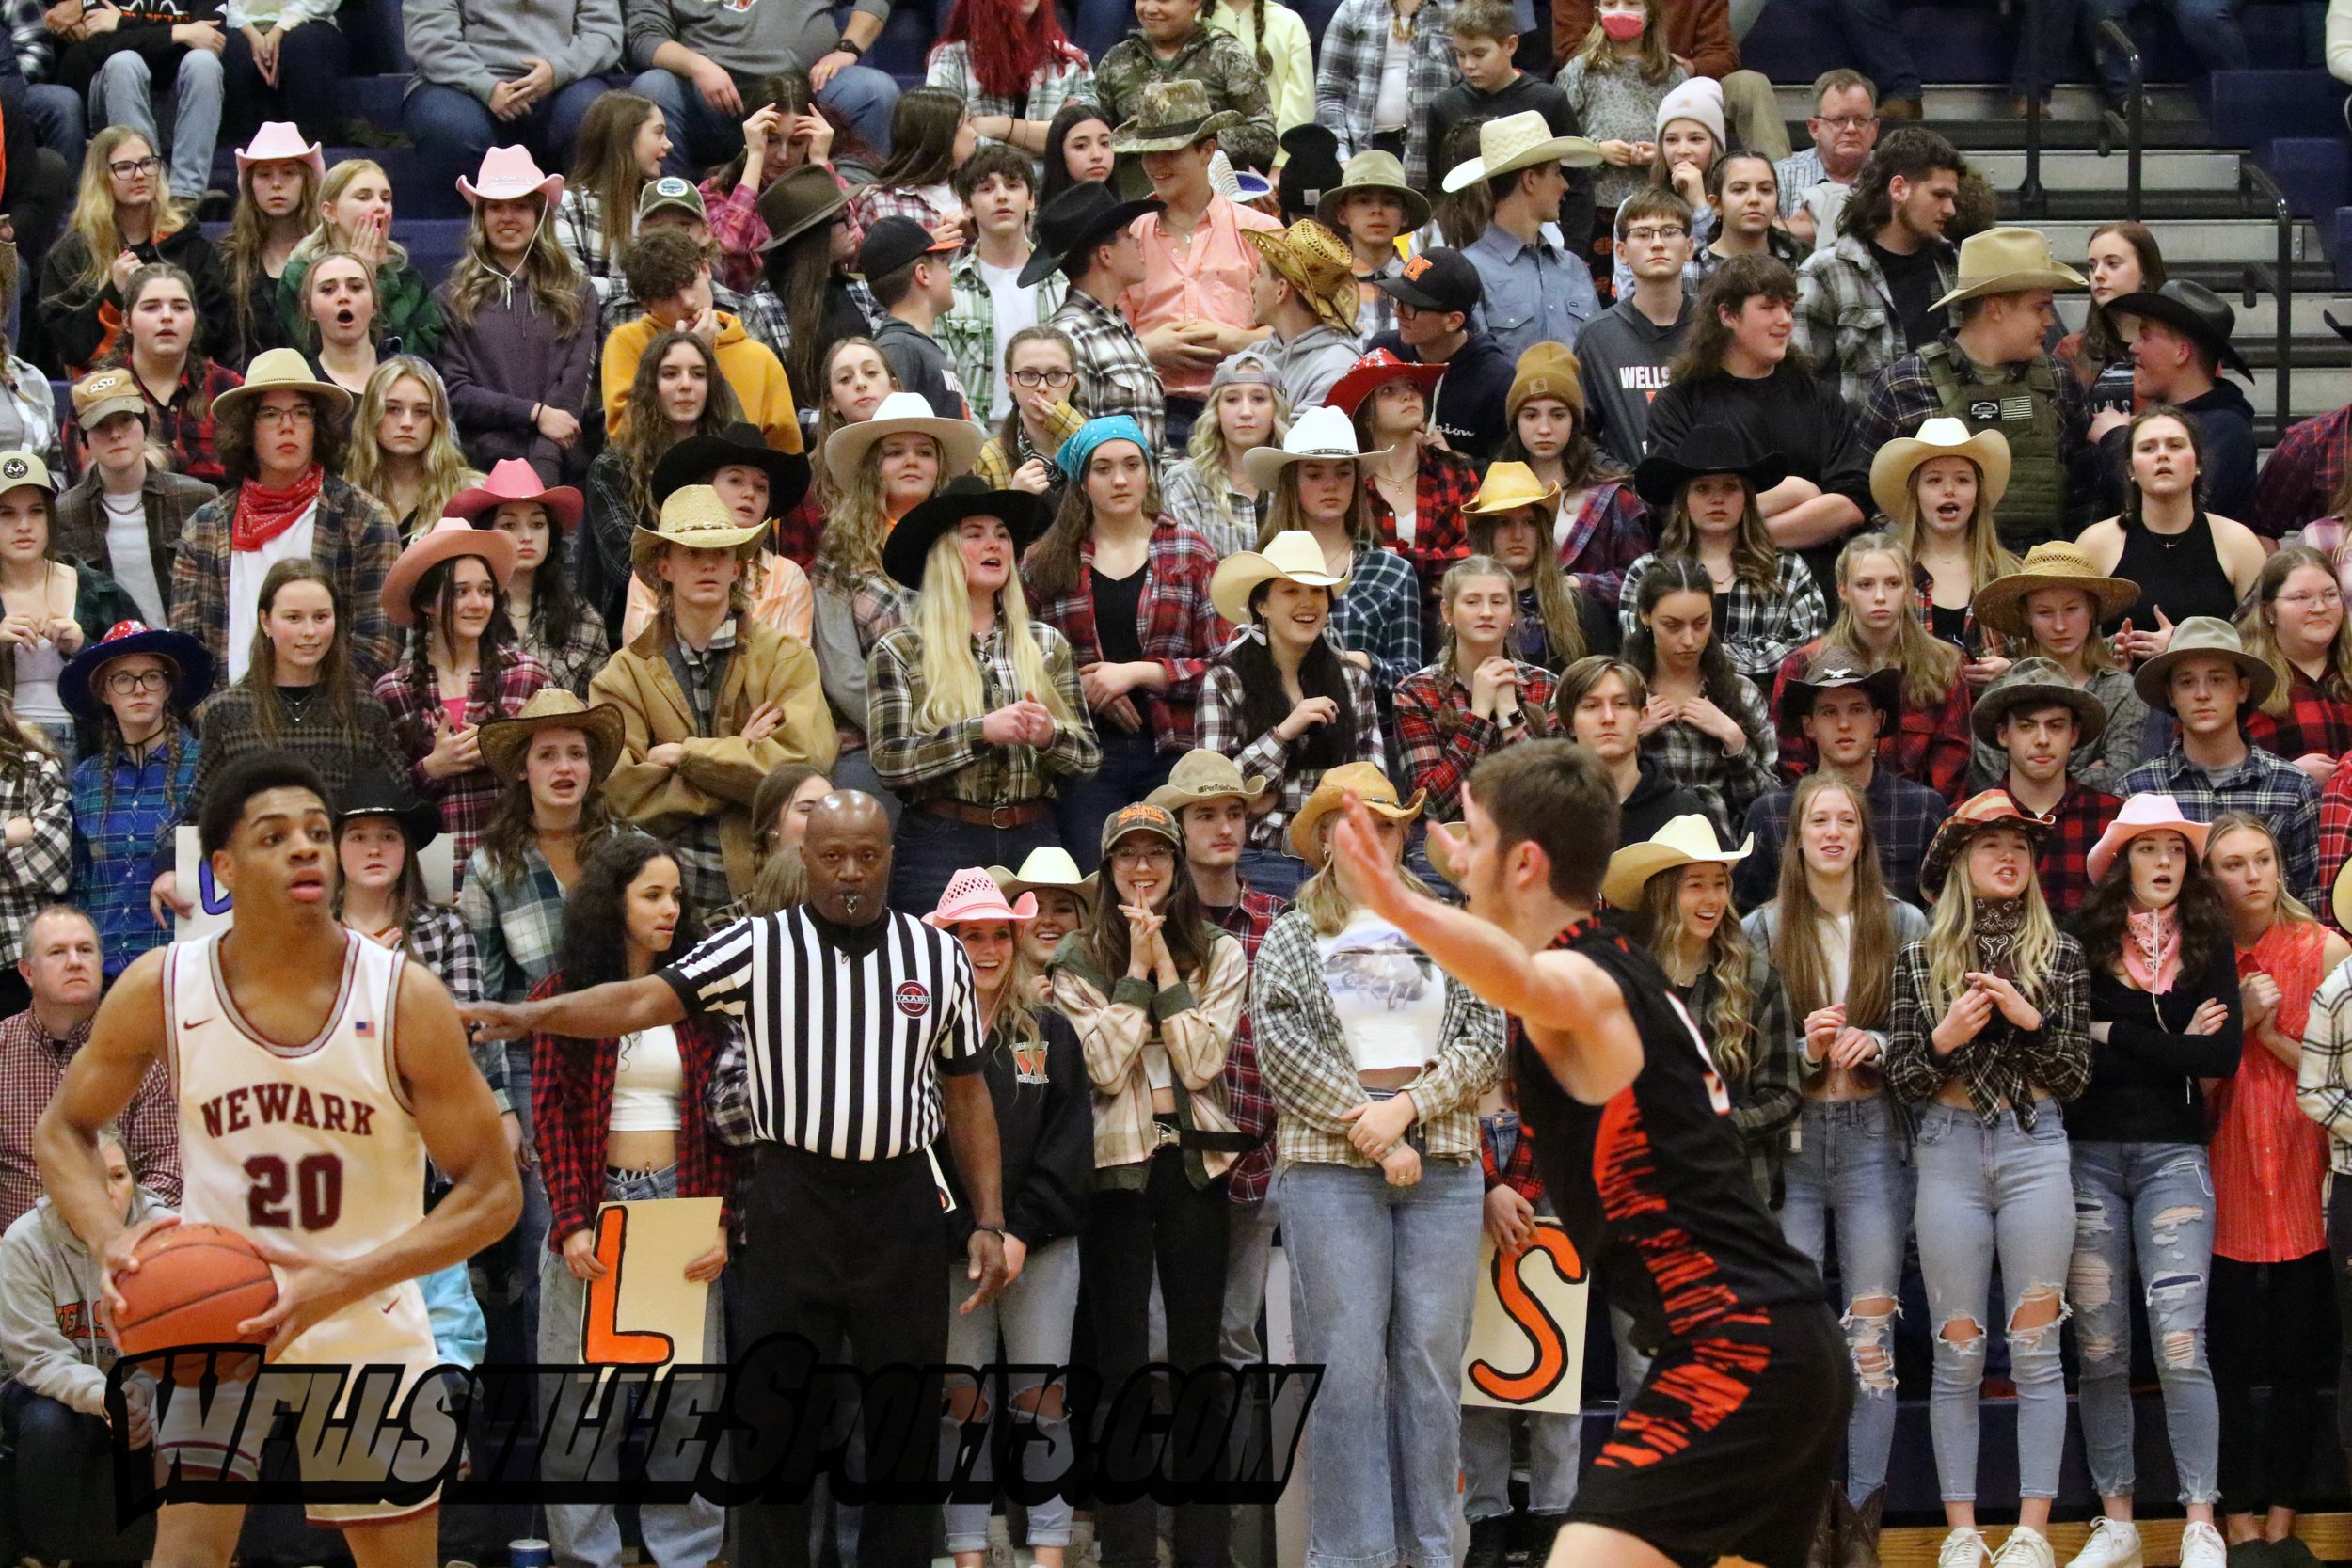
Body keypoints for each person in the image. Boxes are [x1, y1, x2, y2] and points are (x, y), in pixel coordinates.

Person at [1317, 739, 1848, 1568]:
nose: (1456, 852)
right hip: (1768, 1340)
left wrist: (1399, 901)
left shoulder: (1586, 983)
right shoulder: (1616, 957)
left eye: (1474, 838)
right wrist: (1472, 883)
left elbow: (1523, 983)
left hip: (1737, 1347)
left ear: (1524, 861)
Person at [461, 788, 1010, 1568]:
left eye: (866, 854)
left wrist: (987, 1216)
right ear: (804, 859)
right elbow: (642, 999)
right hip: (794, 1197)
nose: (849, 871)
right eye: (831, 855)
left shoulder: (937, 955)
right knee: (774, 1421)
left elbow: (966, 1090)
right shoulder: (758, 945)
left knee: (901, 1423)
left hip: (901, 1207)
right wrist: (529, 1017)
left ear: (889, 856)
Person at [33, 751, 522, 1560]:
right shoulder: (163, 986)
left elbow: (493, 1192)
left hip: (366, 1312)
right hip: (215, 1314)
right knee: (185, 1554)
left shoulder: (406, 997)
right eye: (275, 836)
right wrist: (111, 1238)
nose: (305, 848)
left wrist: (341, 1281)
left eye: (316, 832)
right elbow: (63, 1128)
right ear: (222, 865)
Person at [1251, 762, 1505, 1568]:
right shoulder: (1292, 932)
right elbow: (1279, 1047)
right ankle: (1351, 1558)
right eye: (1354, 823)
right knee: (1348, 1371)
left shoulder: (1446, 921)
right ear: (1327, 836)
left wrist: (1408, 1110)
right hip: (1332, 1169)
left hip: (1444, 1165)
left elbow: (1487, 1033)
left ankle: (1430, 1554)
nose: (1373, 838)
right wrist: (1380, 1130)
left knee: (1430, 1373)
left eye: (1389, 824)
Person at [1883, 790, 2090, 1568]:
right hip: (1948, 1144)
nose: (2008, 856)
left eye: (2019, 845)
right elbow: (1901, 1078)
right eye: (1989, 844)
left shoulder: (2060, 955)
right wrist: (1943, 1037)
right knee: (1958, 1348)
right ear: (1960, 863)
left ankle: (2033, 1530)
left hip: (2036, 1143)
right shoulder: (1918, 957)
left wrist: (2029, 1020)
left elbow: (2074, 1075)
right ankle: (1963, 1529)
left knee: (2037, 1345)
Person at [1048, 799, 1247, 1568]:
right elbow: (1100, 1065)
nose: (1142, 868)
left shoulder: (1221, 950)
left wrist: (1163, 963)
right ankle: (1128, 1551)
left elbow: (1200, 1064)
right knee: (1121, 1361)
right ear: (1107, 869)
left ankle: (1205, 1550)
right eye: (1127, 855)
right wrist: (1135, 968)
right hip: (1115, 1170)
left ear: (1176, 867)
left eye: (1156, 856)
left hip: (1197, 1163)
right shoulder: (1073, 958)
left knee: (1199, 1358)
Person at [528, 830, 734, 1568]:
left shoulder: (703, 999)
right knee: (581, 1403)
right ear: (613, 901)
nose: (670, 908)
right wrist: (573, 1220)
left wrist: (724, 1221)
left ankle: (687, 1554)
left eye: (676, 894)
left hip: (684, 1205)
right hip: (596, 1203)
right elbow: (548, 1111)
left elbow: (730, 1117)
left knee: (691, 1401)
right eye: (653, 893)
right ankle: (588, 1556)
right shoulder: (563, 996)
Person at [1740, 770, 1926, 1560]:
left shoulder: (1906, 921)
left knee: (1871, 1335)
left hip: (1875, 1136)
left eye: (1845, 818)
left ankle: (1861, 1524)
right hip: (1795, 1143)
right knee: (1798, 1339)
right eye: (1818, 819)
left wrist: (1875, 1043)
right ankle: (1802, 1518)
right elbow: (1740, 1051)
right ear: (1798, 836)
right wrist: (1803, 1048)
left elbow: (1930, 1038)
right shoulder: (1760, 927)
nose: (1831, 831)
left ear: (1862, 835)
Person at [2066, 795, 2242, 1568]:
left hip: (2175, 1155)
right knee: (2101, 1347)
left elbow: (2221, 1057)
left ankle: (2201, 1517)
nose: (2164, 861)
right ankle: (2119, 1519)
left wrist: (2121, 1030)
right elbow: (2073, 1055)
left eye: (2175, 847)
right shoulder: (2080, 940)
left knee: (2179, 1342)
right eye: (2148, 848)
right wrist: (2168, 1034)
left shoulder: (2210, 943)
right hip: (2089, 1155)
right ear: (2121, 862)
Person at [924, 866, 1093, 1568]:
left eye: (1000, 933)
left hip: (1040, 1247)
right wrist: (970, 1233)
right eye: (971, 935)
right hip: (952, 1253)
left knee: (1041, 1402)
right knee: (963, 1405)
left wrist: (1018, 1232)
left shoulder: (1052, 1031)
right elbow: (920, 1152)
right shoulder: (920, 1039)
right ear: (948, 942)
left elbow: (1069, 1144)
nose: (988, 948)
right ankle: (967, 1553)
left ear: (1018, 940)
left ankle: (1048, 1554)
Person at [592, 483, 835, 912]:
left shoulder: (785, 657)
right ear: (664, 567)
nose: (708, 564)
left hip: (770, 886)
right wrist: (743, 755)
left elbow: (802, 770)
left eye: (721, 553)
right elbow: (621, 792)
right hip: (664, 897)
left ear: (737, 568)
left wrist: (684, 756)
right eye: (691, 552)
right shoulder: (623, 674)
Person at [2204, 816, 2343, 1561]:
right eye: (2233, 863)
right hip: (2224, 1177)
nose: (2252, 874)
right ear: (2212, 876)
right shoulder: (2198, 958)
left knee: (2299, 1361)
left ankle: (2285, 1519)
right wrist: (2232, 1034)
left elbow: (2337, 1077)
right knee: (2224, 1363)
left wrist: (2262, 1030)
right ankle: (2237, 1519)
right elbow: (2189, 1087)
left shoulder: (2324, 950)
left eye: (2262, 859)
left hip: (2304, 1173)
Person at [869, 477, 1096, 911]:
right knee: (932, 967)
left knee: (1036, 970)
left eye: (1003, 535)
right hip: (941, 840)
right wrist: (982, 732)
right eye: (975, 534)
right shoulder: (901, 649)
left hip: (1034, 836)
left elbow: (1087, 758)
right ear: (943, 554)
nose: (994, 545)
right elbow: (891, 762)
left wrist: (1049, 736)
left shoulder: (1047, 644)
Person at [1022, 416, 1225, 868]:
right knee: (1094, 880)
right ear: (1082, 481)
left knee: (1170, 881)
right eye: (1103, 468)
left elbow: (1223, 667)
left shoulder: (1189, 552)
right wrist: (1087, 690)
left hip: (1171, 746)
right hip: (1084, 753)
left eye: (1132, 465)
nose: (1120, 479)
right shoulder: (1045, 559)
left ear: (1148, 473)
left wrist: (1137, 673)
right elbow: (1019, 662)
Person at [1143, 749, 1284, 1364]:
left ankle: (1233, 1461)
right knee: (1156, 1336)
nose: (1224, 827)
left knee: (1235, 1337)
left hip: (1257, 1146)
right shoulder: (1148, 928)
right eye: (1205, 814)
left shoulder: (1283, 924)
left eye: (1234, 812)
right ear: (1179, 828)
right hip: (1169, 1156)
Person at [168, 347, 403, 687]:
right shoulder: (204, 527)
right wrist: (218, 722)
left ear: (317, 426)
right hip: (228, 725)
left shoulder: (365, 520)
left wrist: (310, 714)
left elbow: (379, 644)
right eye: (271, 414)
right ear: (248, 428)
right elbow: (187, 651)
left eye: (301, 412)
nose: (287, 426)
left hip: (331, 722)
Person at [1854, 226, 2090, 553]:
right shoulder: (1904, 385)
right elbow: (1869, 499)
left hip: (2042, 584)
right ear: (1995, 309)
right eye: (2039, 307)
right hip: (1936, 581)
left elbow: (2085, 494)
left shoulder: (2060, 381)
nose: (2050, 321)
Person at [0, 1123, 173, 1568]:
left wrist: (142, 1392)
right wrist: (102, 1395)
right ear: (60, 1185)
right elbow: (35, 1356)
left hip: (147, 1380)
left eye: (117, 1176)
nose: (108, 1192)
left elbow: (186, 1343)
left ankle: (179, 1551)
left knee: (199, 1405)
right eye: (91, 1180)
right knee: (49, 1423)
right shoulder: (25, 1242)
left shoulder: (168, 1234)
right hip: (47, 1386)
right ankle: (47, 1556)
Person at [1645, 256, 1868, 590]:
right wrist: (1799, 491)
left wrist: (1730, 535)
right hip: (1713, 591)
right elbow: (1676, 512)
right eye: (1769, 307)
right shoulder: (1679, 403)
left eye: (1789, 308)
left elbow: (1852, 505)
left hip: (1814, 591)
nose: (1785, 321)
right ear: (1727, 315)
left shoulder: (1820, 399)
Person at [808, 389, 975, 806]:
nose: (912, 461)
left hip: (965, 728)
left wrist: (954, 727)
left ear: (939, 466)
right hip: (874, 738)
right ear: (874, 467)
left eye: (924, 452)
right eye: (895, 452)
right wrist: (908, 728)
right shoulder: (841, 548)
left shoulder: (968, 543)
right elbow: (840, 669)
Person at [180, 560, 409, 860]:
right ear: (266, 621)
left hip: (342, 883)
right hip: (261, 882)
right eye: (294, 618)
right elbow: (201, 812)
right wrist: (167, 865)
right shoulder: (226, 712)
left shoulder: (366, 712)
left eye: (321, 617)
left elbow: (400, 804)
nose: (310, 631)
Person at [1198, 531, 1382, 900]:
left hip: (1338, 865)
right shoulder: (1225, 679)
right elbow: (1212, 794)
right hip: (1258, 863)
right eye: (1291, 591)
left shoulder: (1352, 680)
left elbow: (1372, 785)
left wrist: (1264, 794)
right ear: (1261, 605)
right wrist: (1283, 734)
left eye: (1317, 591)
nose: (1307, 603)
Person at [372, 517, 552, 888]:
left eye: (486, 591)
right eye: (460, 592)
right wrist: (433, 769)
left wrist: (504, 755)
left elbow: (559, 765)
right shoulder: (394, 689)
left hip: (518, 868)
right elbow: (380, 802)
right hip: (429, 878)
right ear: (427, 603)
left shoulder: (526, 674)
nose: (477, 603)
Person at [2120, 615, 2324, 927]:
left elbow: (2308, 905)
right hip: (2166, 965)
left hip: (2271, 961)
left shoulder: (2292, 787)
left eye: (2217, 680)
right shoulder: (2138, 790)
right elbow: (2122, 902)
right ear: (2171, 695)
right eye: (2187, 682)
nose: (2202, 694)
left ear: (2242, 689)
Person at [1117, 82, 1279, 450]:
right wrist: (1146, 349)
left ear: (1207, 151)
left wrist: (1236, 342)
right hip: (1152, 409)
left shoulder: (1262, 232)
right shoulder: (1128, 238)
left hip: (1246, 405)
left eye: (1170, 151)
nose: (1156, 164)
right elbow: (1107, 336)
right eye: (1148, 153)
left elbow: (1296, 334)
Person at [0, 905, 175, 1231]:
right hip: (16, 1257)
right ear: (27, 972)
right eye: (57, 952)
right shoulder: (3, 1046)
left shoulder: (141, 1048)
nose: (75, 962)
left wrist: (123, 1241)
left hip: (126, 1247)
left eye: (85, 950)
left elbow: (166, 1168)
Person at [436, 147, 599, 488]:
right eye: (495, 207)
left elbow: (569, 396)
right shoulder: (449, 299)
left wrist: (540, 483)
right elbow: (455, 392)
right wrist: (533, 414)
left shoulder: (579, 294)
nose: (507, 217)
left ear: (540, 215)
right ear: (481, 217)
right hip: (477, 471)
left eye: (520, 206)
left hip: (559, 471)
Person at [1737, 650, 1948, 909]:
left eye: (1857, 710)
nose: (1844, 724)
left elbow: (1941, 913)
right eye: (1829, 712)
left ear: (1878, 721)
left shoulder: (1923, 809)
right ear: (1809, 726)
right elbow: (1743, 916)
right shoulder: (1771, 812)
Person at [1617, 426, 1824, 687]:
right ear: (1683, 501)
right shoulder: (1647, 572)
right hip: (1673, 712)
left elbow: (1807, 650)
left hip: (1769, 712)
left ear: (1747, 499)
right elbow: (1639, 651)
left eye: (1730, 487)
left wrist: (1717, 656)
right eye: (1702, 488)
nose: (1717, 499)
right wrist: (1739, 655)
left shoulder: (1787, 570)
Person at [62, 620, 208, 982]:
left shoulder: (205, 765)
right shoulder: (87, 779)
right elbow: (79, 883)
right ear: (104, 693)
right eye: (123, 679)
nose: (139, 689)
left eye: (151, 676)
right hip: (107, 973)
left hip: (182, 966)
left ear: (167, 687)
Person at [1772, 532, 1971, 798]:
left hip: (1916, 821)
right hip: (1824, 818)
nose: (1880, 596)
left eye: (1892, 583)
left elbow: (1951, 773)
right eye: (1865, 585)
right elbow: (1791, 764)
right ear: (1843, 590)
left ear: (1909, 588)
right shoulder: (1803, 666)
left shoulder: (1943, 665)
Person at [1244, 407, 1422, 692]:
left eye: (1343, 473)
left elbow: (1412, 681)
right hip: (1279, 723)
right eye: (1314, 474)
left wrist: (1364, 662)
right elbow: (1245, 662)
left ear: (1356, 481)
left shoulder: (1393, 572)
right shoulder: (1261, 567)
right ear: (1293, 482)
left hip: (1371, 727)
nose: (1331, 485)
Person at [621, 0, 902, 176]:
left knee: (875, 90)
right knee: (653, 88)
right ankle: (672, 217)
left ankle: (857, 216)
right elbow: (644, 36)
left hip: (806, 96)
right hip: (710, 105)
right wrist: (697, 65)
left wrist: (849, 47)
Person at [1791, 127, 1963, 410]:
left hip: (1949, 444)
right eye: (1939, 195)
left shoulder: (1953, 265)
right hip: (1862, 448)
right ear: (1898, 189)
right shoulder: (1826, 272)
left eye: (1952, 197)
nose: (1950, 209)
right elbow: (1799, 387)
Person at [36, 127, 229, 378]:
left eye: (147, 164)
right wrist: (113, 295)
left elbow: (215, 330)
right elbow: (69, 345)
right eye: (125, 167)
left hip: (183, 384)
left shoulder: (191, 246)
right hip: (102, 390)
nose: (139, 175)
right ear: (101, 177)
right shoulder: (71, 254)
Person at [2080, 408, 2266, 660]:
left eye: (2175, 445)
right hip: (2122, 692)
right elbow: (2072, 638)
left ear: (2198, 463)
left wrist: (2186, 645)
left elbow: (2262, 642)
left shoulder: (2239, 542)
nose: (2163, 455)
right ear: (2131, 469)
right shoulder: (2096, 543)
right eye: (2148, 448)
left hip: (2212, 691)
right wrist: (2108, 653)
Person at [1968, 541, 2148, 795]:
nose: (2060, 626)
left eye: (2071, 609)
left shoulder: (2120, 690)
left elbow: (2121, 775)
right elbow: (1989, 781)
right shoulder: (2002, 690)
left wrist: (2031, 778)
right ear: (2026, 616)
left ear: (2091, 611)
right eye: (2045, 612)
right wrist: (2087, 776)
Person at [601, 227, 802, 452]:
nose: (687, 302)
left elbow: (787, 451)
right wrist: (692, 352)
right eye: (668, 295)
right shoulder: (627, 342)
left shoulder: (759, 358)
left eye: (689, 282)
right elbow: (624, 436)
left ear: (705, 269)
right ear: (647, 303)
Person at [399, 0, 620, 204]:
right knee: (447, 123)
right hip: (464, 87)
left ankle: (580, 228)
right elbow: (430, 37)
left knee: (593, 113)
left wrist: (557, 71)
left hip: (561, 84)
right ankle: (463, 238)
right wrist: (485, 86)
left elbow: (603, 32)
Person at [1396, 554, 1565, 819]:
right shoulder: (1415, 691)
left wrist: (1511, 713)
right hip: (1451, 844)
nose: (1486, 612)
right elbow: (1428, 806)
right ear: (1447, 612)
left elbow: (1552, 797)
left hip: (1531, 836)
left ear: (1512, 613)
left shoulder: (1545, 685)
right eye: (1472, 601)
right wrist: (1479, 717)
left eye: (1497, 601)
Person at [52, 369, 220, 629]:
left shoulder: (197, 499)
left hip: (187, 652)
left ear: (144, 424)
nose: (116, 434)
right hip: (107, 660)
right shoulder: (65, 515)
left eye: (125, 420)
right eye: (100, 425)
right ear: (84, 439)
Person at [1622, 554, 1776, 838]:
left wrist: (1735, 741)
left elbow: (1771, 808)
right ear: (1646, 616)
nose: (1689, 640)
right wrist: (1628, 739)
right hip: (1640, 847)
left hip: (1721, 855)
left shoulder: (1741, 693)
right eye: (1672, 626)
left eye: (1700, 623)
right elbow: (1587, 791)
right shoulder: (1621, 696)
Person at [1487, 343, 1649, 611]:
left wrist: (1578, 584)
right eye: (1530, 415)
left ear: (1575, 421)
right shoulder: (1490, 495)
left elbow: (1643, 583)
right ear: (1515, 422)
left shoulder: (1615, 501)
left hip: (1593, 640)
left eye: (1558, 415)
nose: (1544, 428)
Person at [0, 452, 134, 760]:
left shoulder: (97, 590)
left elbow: (141, 673)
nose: (23, 525)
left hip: (93, 751)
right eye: (7, 514)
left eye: (35, 512)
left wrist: (85, 648)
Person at [2090, 280, 2256, 526]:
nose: (2134, 347)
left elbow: (2178, 514)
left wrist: (2115, 438)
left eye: (2145, 336)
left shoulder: (2227, 430)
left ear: (2181, 351)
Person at [1441, 111, 1603, 361]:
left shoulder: (1574, 268)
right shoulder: (1469, 272)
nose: (1565, 185)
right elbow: (1480, 371)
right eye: (1557, 171)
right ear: (1529, 180)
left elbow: (1597, 359)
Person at [1429, 0, 1592, 247]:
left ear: (1511, 45)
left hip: (1539, 242)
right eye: (1460, 55)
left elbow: (1577, 183)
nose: (1468, 65)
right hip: (1467, 243)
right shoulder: (1444, 107)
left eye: (1479, 54)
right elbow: (1439, 188)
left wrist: (1573, 249)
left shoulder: (1548, 101)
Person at [333, 772, 484, 1039]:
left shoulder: (447, 926)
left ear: (406, 849)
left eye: (389, 837)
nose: (374, 850)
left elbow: (470, 1029)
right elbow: (300, 1036)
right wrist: (362, 981)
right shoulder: (312, 934)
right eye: (358, 837)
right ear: (335, 849)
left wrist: (388, 983)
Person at [1970, 658, 2122, 918]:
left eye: (2055, 725)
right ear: (2003, 734)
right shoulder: (1971, 819)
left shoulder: (2114, 820)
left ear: (2074, 734)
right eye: (2026, 726)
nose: (2042, 740)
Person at [1336, 350, 1473, 632]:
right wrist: (1432, 568)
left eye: (1412, 386)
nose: (1408, 396)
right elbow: (1342, 559)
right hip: (1365, 620)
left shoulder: (1454, 472)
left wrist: (1393, 560)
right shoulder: (1348, 480)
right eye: (1389, 391)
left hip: (1446, 622)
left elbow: (1474, 553)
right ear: (1366, 415)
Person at [1875, 416, 2020, 677]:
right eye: (1934, 480)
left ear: (1977, 496)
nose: (1949, 490)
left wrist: (2012, 673)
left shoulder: (2010, 576)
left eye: (1963, 480)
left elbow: (2043, 664)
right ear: (1915, 494)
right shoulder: (1884, 573)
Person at [447, 460, 607, 696]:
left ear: (552, 534)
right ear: (484, 532)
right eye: (509, 524)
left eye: (538, 524)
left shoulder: (584, 619)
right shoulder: (459, 610)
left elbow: (602, 715)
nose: (526, 537)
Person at [72, 262, 235, 486]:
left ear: (195, 317)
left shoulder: (228, 388)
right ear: (127, 321)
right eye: (151, 307)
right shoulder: (93, 392)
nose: (167, 316)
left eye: (179, 307)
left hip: (216, 519)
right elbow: (86, 485)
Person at [1091, 0, 1277, 197]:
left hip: (1215, 209)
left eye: (1163, 0)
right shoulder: (1117, 60)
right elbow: (1099, 139)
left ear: (1195, 3)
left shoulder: (1227, 54)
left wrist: (1191, 137)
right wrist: (1127, 135)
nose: (1151, 9)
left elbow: (1264, 138)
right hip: (1137, 210)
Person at [272, 159, 445, 363]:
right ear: (330, 211)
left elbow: (424, 356)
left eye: (386, 198)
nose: (379, 206)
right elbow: (313, 350)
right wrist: (366, 279)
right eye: (363, 197)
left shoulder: (406, 276)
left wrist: (378, 277)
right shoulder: (299, 275)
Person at [1039, 181, 1168, 453]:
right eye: (1129, 235)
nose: (1138, 241)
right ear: (1106, 255)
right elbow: (1070, 445)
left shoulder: (1118, 327)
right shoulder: (1069, 336)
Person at [943, 150, 1068, 430]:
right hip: (979, 440)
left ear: (1031, 199)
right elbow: (946, 383)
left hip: (1056, 435)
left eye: (1013, 186)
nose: (1001, 196)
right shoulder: (949, 289)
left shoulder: (1062, 283)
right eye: (986, 189)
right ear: (967, 206)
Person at [1364, 248, 1516, 467]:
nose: (1398, 313)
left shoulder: (1498, 380)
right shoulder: (1383, 351)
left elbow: (1509, 474)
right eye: (1397, 301)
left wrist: (1450, 460)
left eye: (1410, 307)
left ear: (1453, 321)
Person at [1577, 190, 1694, 468]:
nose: (1657, 244)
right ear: (1622, 251)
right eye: (1642, 234)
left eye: (1669, 231)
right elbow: (1581, 434)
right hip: (1629, 500)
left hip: (1709, 498)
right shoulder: (1597, 336)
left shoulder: (1716, 328)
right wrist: (1624, 482)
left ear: (1689, 247)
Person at [1459, 464, 1616, 673]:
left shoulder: (1580, 608)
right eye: (1504, 523)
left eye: (1530, 522)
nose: (1518, 535)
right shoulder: (1463, 608)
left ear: (1542, 530)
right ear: (1484, 532)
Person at [1551, 0, 1688, 234]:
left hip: (1657, 206)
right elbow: (1556, 140)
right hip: (1593, 204)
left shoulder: (1673, 75)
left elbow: (1690, 138)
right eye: (1610, 3)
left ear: (1651, 13)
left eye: (1632, 3)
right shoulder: (1580, 71)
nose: (1620, 10)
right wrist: (1598, 150)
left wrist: (1661, 156)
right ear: (1598, 12)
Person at [1556, 652, 1713, 845]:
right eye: (1591, 706)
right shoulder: (1548, 817)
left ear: (1643, 717)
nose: (1608, 717)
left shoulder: (1688, 816)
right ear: (1569, 723)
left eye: (1621, 704)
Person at [925, 0, 1094, 170]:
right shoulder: (950, 58)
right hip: (979, 188)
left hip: (1054, 192)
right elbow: (948, 141)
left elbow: (1086, 139)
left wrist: (1004, 127)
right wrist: (1048, 138)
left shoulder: (1071, 60)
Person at [1311, 0, 1454, 196]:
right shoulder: (1355, 8)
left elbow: (1469, 90)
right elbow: (1329, 91)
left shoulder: (1456, 11)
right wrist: (1343, 158)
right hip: (1363, 156)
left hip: (1433, 162)